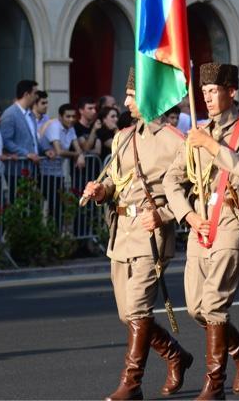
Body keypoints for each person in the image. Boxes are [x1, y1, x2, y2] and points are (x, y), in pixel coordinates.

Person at [82, 68, 192, 400]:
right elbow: (117, 180)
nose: (127, 101)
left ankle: (131, 383)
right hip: (122, 233)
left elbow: (192, 192)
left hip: (152, 235)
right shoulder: (123, 136)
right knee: (126, 313)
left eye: (131, 94)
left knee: (139, 309)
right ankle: (175, 354)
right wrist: (103, 190)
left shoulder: (177, 141)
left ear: (147, 97)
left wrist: (166, 214)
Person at [163, 62, 239, 399]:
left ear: (231, 92)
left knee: (215, 305)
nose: (206, 97)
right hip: (200, 224)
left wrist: (210, 146)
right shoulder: (197, 130)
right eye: (203, 91)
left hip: (229, 223)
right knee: (195, 308)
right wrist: (187, 215)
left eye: (213, 90)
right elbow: (172, 179)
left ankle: (214, 383)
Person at [1, 80, 42, 164]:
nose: (37, 97)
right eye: (35, 93)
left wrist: (46, 150)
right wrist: (26, 154)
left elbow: (33, 140)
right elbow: (6, 141)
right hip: (17, 169)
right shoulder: (10, 114)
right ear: (26, 94)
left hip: (32, 167)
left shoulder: (31, 114)